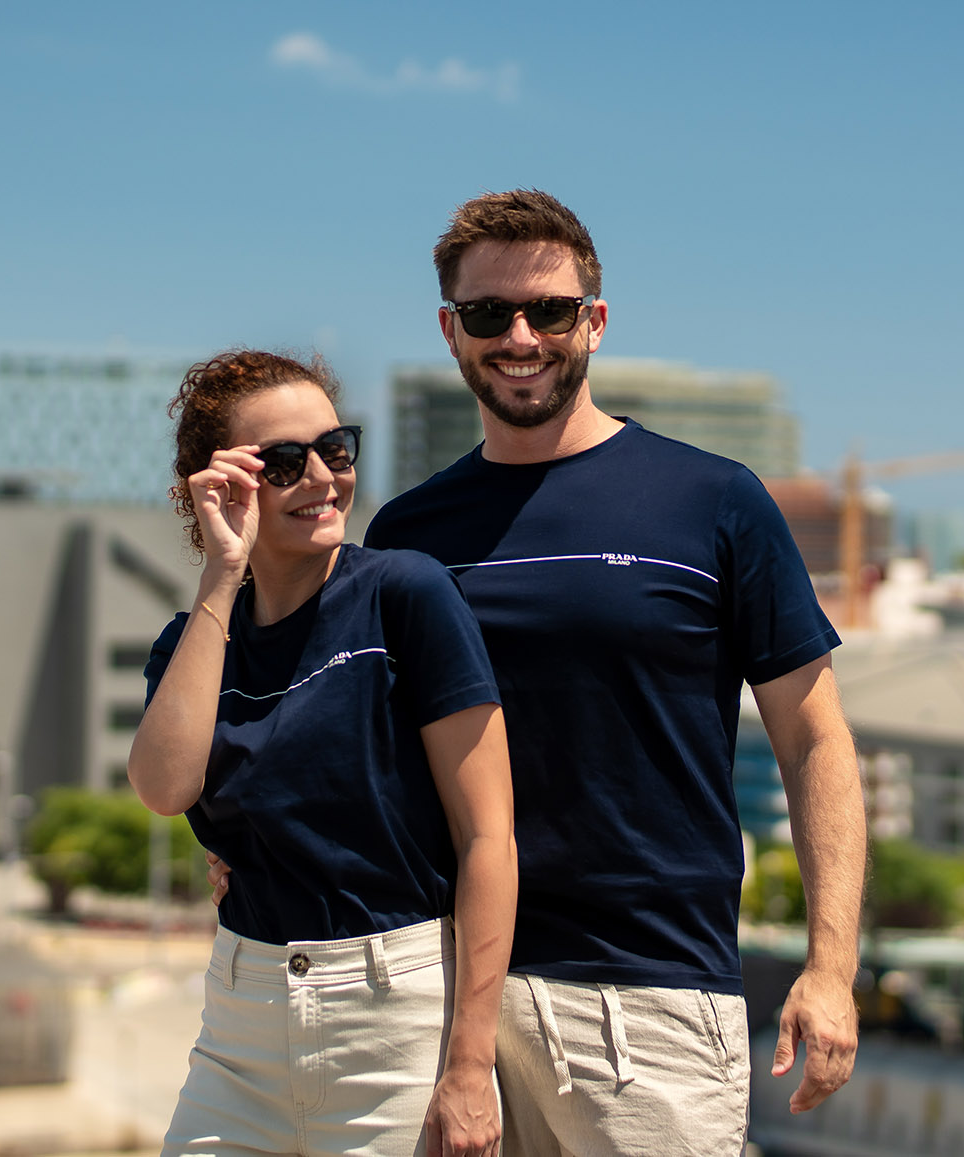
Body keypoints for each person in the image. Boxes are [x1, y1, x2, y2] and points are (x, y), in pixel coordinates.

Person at [361, 190, 867, 1155]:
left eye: (548, 310)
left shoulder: (712, 499)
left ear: (594, 321)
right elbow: (377, 759)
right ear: (450, 332)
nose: (520, 336)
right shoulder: (407, 532)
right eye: (486, 314)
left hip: (652, 998)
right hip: (446, 995)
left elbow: (815, 737)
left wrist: (831, 965)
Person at [130, 350, 518, 1157]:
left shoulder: (403, 594)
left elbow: (489, 836)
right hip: (241, 1018)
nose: (320, 476)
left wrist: (471, 1063)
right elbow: (165, 786)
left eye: (335, 450)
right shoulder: (194, 642)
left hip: (394, 1018)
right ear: (220, 484)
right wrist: (222, 571)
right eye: (282, 461)